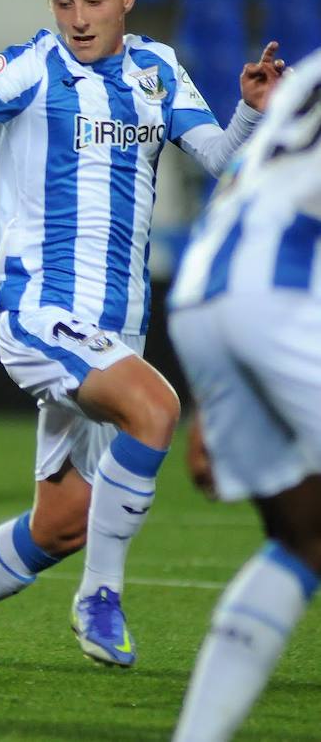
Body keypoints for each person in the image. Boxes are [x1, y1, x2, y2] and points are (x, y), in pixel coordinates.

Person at [0, 0, 284, 691]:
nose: (79, 17)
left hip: (114, 328)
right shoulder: (35, 63)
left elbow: (224, 163)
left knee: (60, 522)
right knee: (156, 410)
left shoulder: (158, 69)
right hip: (38, 312)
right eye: (64, 2)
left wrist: (253, 112)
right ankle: (101, 595)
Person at [167, 48, 319, 741]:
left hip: (204, 289)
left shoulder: (309, 75)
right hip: (283, 296)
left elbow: (239, 181)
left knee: (305, 535)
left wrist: (214, 382)